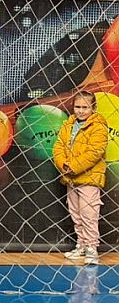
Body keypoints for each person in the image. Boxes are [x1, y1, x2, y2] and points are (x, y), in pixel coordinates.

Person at [53, 90, 108, 265]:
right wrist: (63, 165)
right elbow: (58, 147)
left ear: (93, 108)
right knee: (76, 214)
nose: (81, 111)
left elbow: (94, 152)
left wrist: (74, 167)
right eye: (78, 107)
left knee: (88, 214)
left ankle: (92, 248)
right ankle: (82, 245)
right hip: (70, 178)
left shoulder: (98, 127)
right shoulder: (68, 125)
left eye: (85, 107)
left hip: (89, 179)